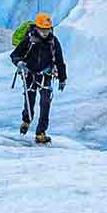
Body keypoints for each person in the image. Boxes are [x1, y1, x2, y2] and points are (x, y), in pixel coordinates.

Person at [8, 13, 66, 144]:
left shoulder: (53, 42)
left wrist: (62, 78)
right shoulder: (29, 40)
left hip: (45, 75)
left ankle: (41, 133)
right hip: (29, 74)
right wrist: (19, 63)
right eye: (43, 29)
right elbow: (15, 55)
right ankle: (27, 120)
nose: (45, 32)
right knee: (30, 99)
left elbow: (60, 61)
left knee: (45, 102)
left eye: (47, 29)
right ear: (37, 28)